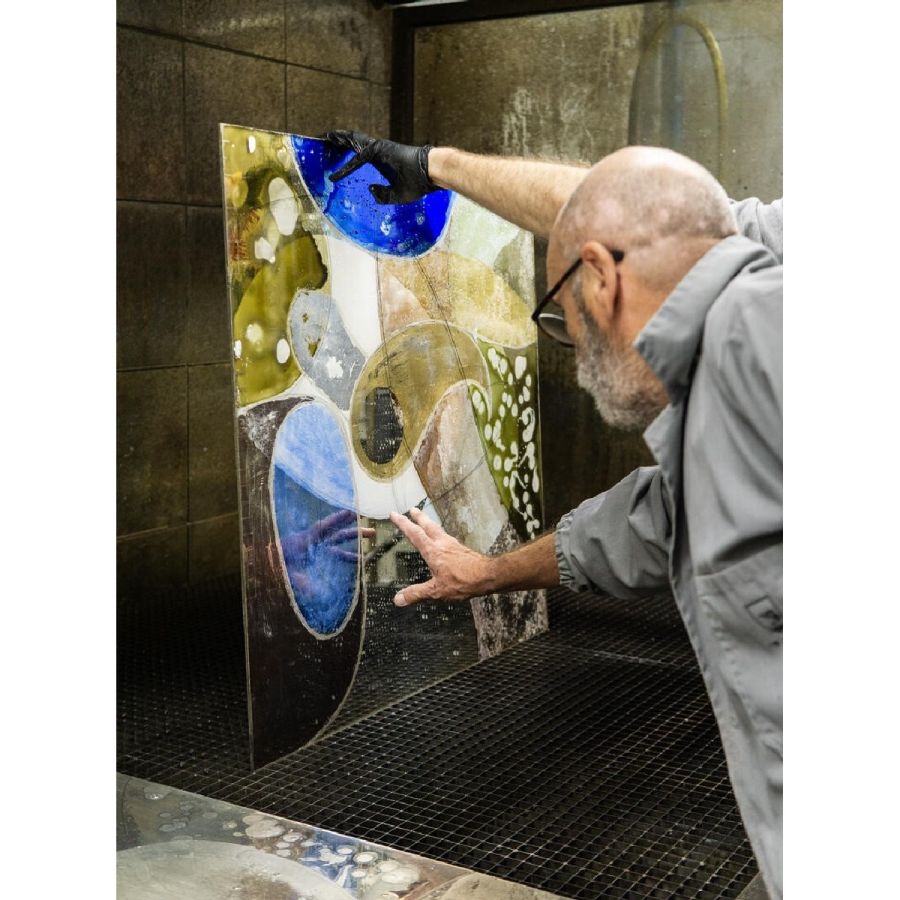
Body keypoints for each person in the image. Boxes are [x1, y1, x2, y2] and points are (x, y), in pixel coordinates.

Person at [325, 132, 783, 898]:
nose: (573, 360)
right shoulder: (731, 286)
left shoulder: (770, 334)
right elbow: (646, 526)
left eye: (564, 320)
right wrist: (488, 573)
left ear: (599, 279)